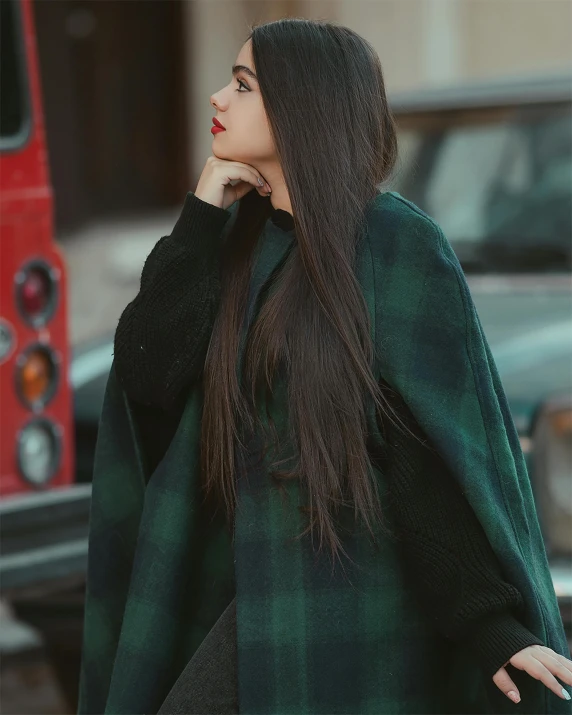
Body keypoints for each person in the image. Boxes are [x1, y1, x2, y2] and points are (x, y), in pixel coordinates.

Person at [77, 18, 572, 715]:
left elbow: (425, 454)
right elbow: (147, 377)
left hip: (362, 606)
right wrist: (198, 214)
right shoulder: (234, 242)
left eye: (244, 86)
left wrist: (490, 624)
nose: (218, 99)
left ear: (301, 104)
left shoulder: (394, 243)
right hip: (246, 596)